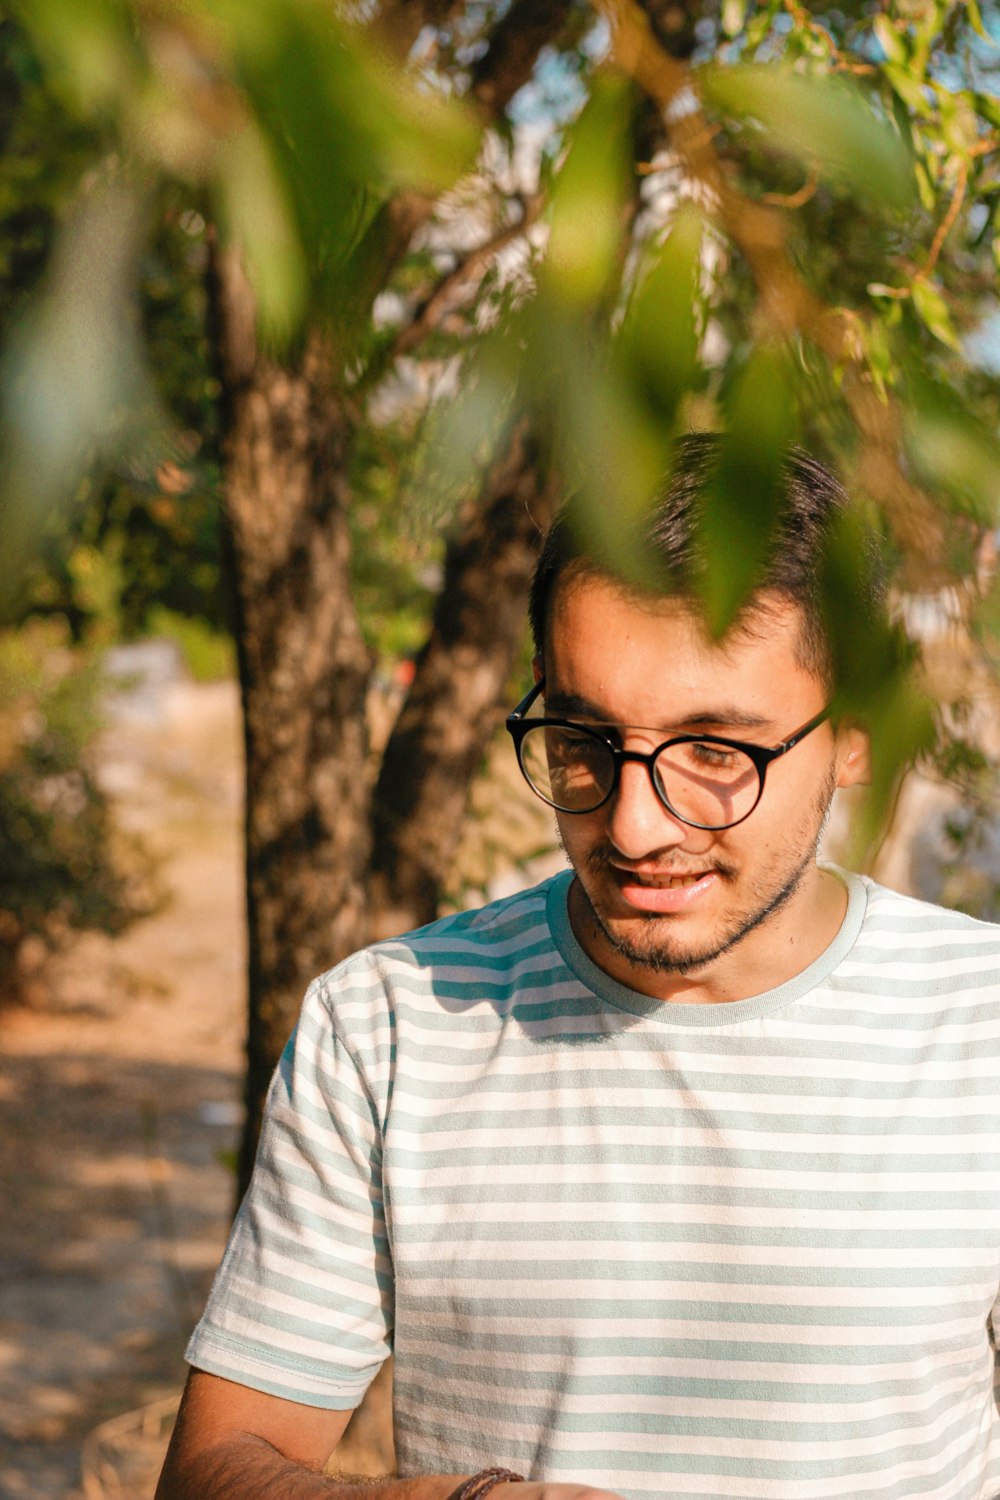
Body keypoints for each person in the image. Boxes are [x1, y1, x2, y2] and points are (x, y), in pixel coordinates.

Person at [156, 434, 1000, 1500]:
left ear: (856, 735)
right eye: (580, 739)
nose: (636, 826)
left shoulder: (983, 1027)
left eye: (715, 751)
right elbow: (214, 1473)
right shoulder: (387, 1026)